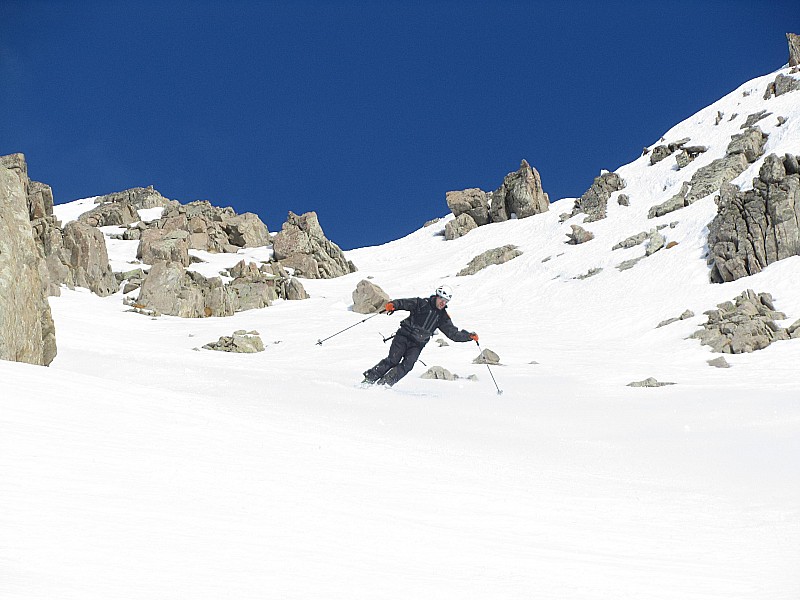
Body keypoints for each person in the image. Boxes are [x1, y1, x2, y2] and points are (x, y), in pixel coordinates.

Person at [362, 285, 478, 387]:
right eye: (442, 299)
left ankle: (384, 384)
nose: (443, 303)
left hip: (417, 345)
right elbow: (405, 303)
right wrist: (393, 305)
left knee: (408, 365)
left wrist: (468, 336)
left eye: (446, 301)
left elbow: (453, 334)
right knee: (393, 360)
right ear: (437, 296)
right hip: (403, 337)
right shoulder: (422, 303)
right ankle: (369, 379)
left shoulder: (442, 317)